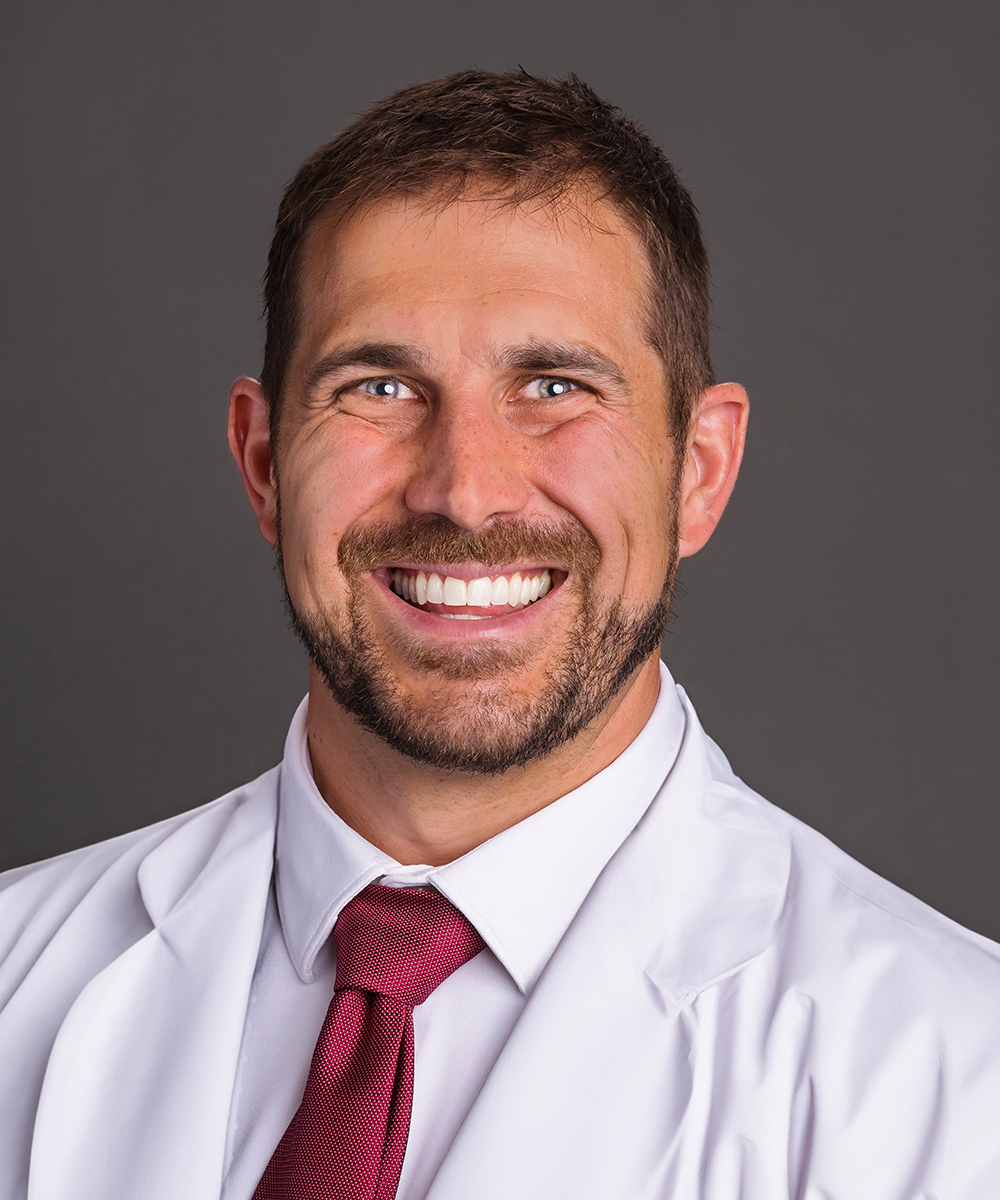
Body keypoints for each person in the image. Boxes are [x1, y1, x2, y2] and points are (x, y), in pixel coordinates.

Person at [1, 69, 998, 1200]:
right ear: (265, 462)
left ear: (699, 469)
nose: (465, 493)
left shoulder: (958, 1088)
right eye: (381, 388)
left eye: (555, 386)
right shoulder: (19, 977)